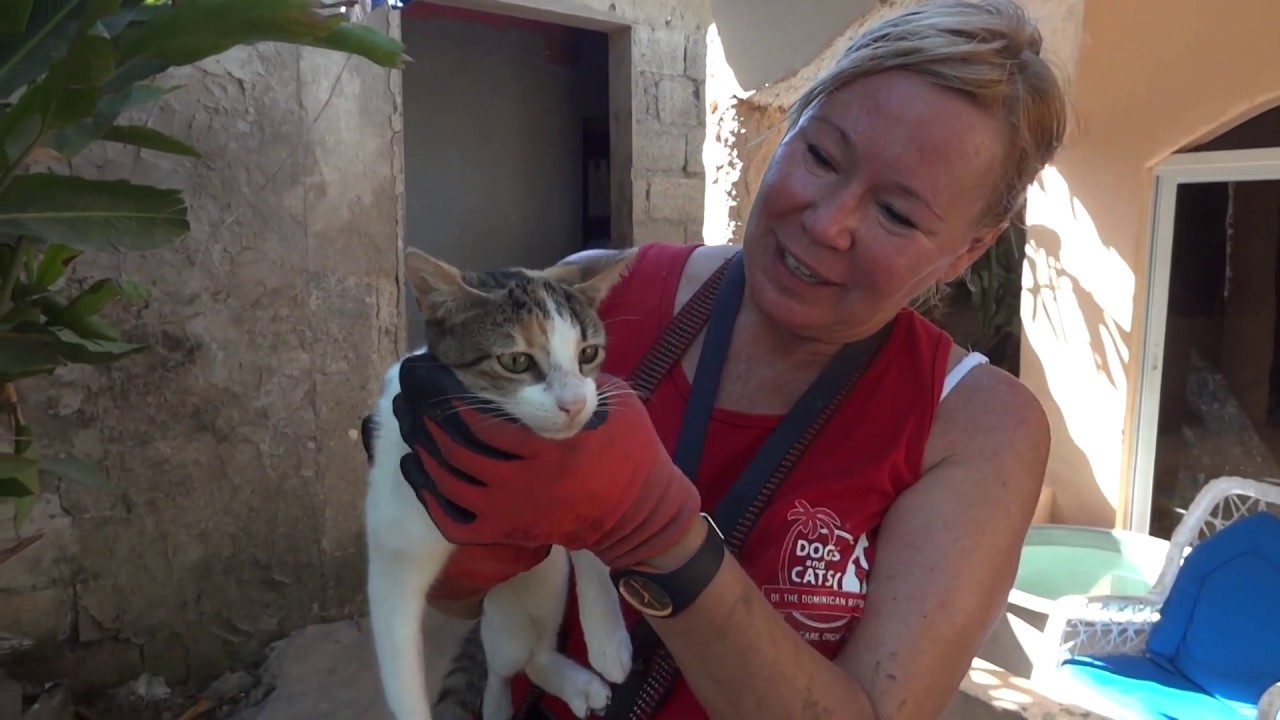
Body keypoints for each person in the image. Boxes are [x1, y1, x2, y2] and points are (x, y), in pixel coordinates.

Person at [389, 0, 1068, 718]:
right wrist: (449, 511)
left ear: (969, 249)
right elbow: (460, 599)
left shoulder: (978, 427)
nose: (826, 222)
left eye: (897, 214)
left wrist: (659, 533)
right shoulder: (596, 303)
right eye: (821, 156)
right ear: (789, 129)